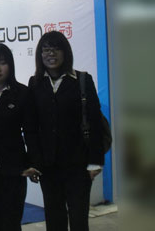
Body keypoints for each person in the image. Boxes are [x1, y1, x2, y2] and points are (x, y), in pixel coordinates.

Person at [26, 31, 104, 231]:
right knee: (54, 218)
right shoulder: (35, 83)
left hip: (78, 164)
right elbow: (31, 127)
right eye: (46, 49)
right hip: (48, 165)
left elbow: (95, 122)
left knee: (79, 219)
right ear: (40, 54)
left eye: (56, 49)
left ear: (66, 52)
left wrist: (95, 161)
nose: (51, 54)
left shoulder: (82, 80)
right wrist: (34, 161)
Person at [0, 43, 39, 231]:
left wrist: (33, 162)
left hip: (13, 171)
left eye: (2, 63)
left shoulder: (22, 93)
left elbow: (31, 131)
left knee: (11, 223)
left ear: (10, 66)